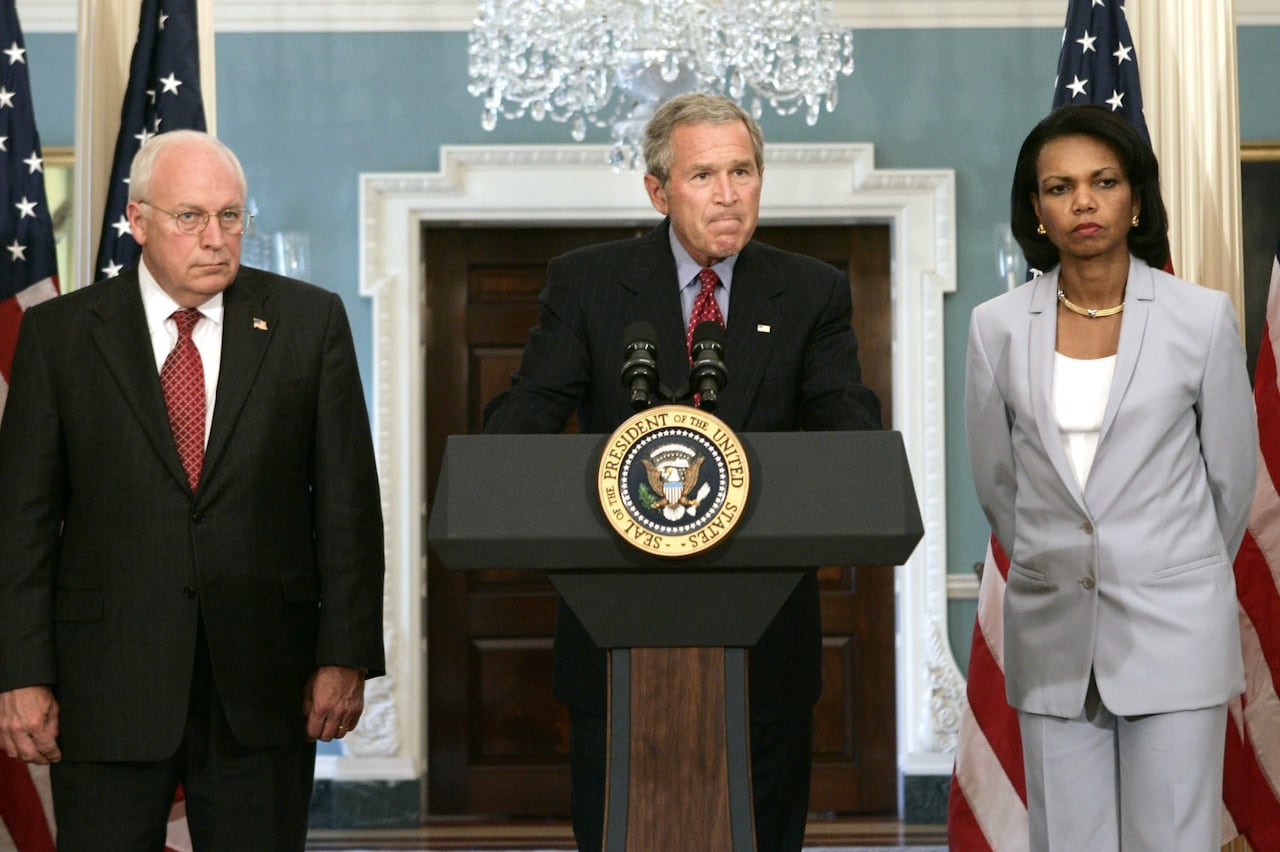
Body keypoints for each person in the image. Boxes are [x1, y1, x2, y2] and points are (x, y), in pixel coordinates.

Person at [483, 93, 882, 851]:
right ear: (658, 191)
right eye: (704, 175)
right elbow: (521, 426)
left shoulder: (810, 291)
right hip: (617, 634)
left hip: (764, 639)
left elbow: (848, 438)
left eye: (743, 171)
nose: (729, 193)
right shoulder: (590, 284)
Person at [0, 130, 385, 850]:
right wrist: (19, 672)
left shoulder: (308, 323)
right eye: (190, 217)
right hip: (104, 685)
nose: (215, 238)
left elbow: (348, 509)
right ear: (139, 220)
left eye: (230, 216)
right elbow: (19, 523)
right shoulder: (59, 336)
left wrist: (346, 655)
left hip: (267, 686)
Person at [965, 103, 1256, 851]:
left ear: (1135, 198)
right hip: (1054, 629)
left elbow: (1230, 482)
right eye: (1059, 187)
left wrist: (1164, 568)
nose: (1083, 202)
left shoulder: (1200, 318)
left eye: (1103, 182)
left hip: (1174, 630)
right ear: (1036, 209)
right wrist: (1060, 561)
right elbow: (1000, 486)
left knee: (1174, 841)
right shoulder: (996, 326)